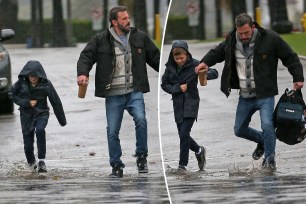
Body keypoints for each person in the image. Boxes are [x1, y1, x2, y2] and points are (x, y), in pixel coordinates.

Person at [195, 13, 304, 171]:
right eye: (241, 33)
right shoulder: (232, 39)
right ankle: (263, 140)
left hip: (265, 94)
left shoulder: (270, 38)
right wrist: (204, 62)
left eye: (246, 32)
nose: (244, 36)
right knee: (239, 129)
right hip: (245, 96)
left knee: (267, 125)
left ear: (253, 27)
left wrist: (298, 77)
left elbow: (290, 57)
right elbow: (218, 52)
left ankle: (270, 160)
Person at [76, 6, 160, 178]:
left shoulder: (140, 37)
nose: (128, 21)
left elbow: (156, 58)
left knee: (141, 120)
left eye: (128, 17)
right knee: (113, 131)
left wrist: (173, 74)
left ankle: (141, 157)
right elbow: (86, 56)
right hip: (113, 94)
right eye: (123, 19)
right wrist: (83, 73)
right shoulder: (100, 39)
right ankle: (116, 165)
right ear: (114, 22)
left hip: (134, 91)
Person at [161, 40, 218, 171]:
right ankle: (199, 150)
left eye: (181, 58)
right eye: (176, 58)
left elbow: (214, 73)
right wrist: (177, 88)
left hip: (191, 103)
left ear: (187, 54)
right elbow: (164, 85)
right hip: (178, 105)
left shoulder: (195, 64)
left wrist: (203, 73)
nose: (179, 61)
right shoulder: (169, 67)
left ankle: (182, 165)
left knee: (184, 132)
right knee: (183, 135)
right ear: (172, 57)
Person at [9, 60, 67, 173]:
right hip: (26, 115)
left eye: (36, 75)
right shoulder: (21, 83)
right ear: (27, 75)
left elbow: (56, 101)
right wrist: (26, 102)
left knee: (40, 130)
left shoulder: (46, 84)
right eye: (31, 75)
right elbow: (11, 94)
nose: (33, 78)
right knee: (28, 144)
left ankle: (41, 161)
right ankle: (32, 164)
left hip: (42, 113)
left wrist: (62, 120)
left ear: (40, 75)